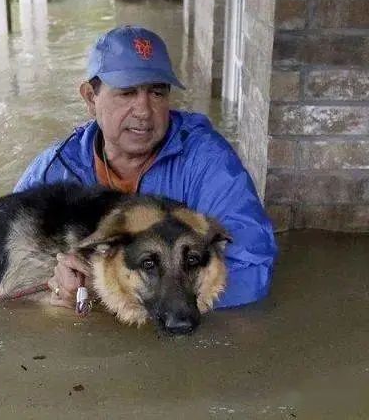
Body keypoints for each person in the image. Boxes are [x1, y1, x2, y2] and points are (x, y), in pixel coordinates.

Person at [14, 25, 277, 310]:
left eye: (157, 92)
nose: (144, 110)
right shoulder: (56, 169)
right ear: (91, 97)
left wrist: (121, 297)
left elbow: (253, 269)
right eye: (127, 93)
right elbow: (8, 264)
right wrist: (55, 291)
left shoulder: (206, 161)